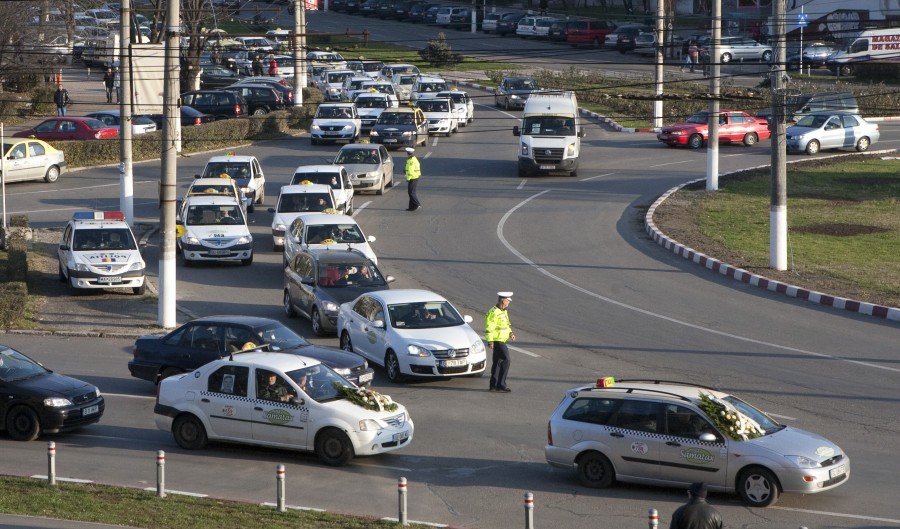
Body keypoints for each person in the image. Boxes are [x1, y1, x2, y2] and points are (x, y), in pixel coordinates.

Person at [485, 292, 515, 393]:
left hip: (501, 340)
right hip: (497, 340)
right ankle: (501, 384)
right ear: (503, 301)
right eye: (508, 301)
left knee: (497, 363)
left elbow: (506, 325)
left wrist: (510, 334)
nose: (509, 303)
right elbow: (489, 328)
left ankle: (493, 385)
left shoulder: (503, 311)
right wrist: (490, 341)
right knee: (507, 360)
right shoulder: (493, 312)